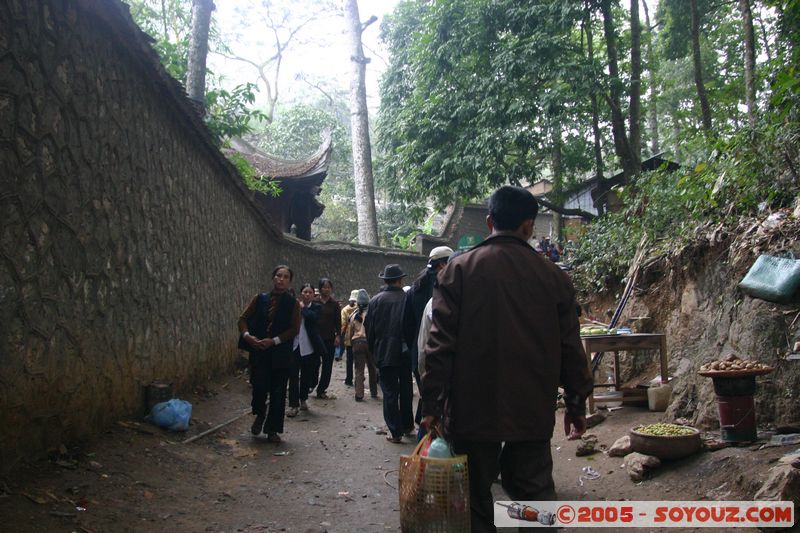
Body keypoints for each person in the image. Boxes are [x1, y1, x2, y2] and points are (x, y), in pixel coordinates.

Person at [421, 186, 594, 532]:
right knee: (534, 494)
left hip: (471, 410)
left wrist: (431, 406)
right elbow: (572, 348)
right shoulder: (554, 278)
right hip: (530, 409)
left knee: (474, 500)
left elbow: (437, 347)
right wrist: (575, 403)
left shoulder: (457, 271)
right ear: (529, 227)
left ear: (489, 222)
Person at [238, 265, 301, 443]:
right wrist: (248, 336)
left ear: (289, 281)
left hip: (280, 354)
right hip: (259, 353)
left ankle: (273, 429)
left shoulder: (293, 304)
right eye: (278, 276)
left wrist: (274, 341)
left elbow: (294, 329)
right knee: (259, 388)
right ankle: (260, 413)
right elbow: (242, 319)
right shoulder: (259, 299)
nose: (281, 279)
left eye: (285, 277)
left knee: (278, 391)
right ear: (273, 278)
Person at [404, 246, 453, 430]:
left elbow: (406, 326)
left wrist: (413, 349)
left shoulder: (414, 289)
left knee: (428, 396)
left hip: (419, 351)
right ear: (443, 265)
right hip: (441, 354)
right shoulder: (450, 288)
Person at [365, 264, 415, 444]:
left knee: (390, 392)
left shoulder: (375, 301)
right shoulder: (408, 298)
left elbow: (369, 329)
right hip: (405, 352)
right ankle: (408, 425)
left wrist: (373, 351)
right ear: (401, 280)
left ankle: (395, 431)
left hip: (384, 352)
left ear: (385, 280)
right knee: (406, 389)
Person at [287, 283, 324, 417]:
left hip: (309, 347)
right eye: (304, 292)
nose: (307, 294)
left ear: (313, 295)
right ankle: (293, 404)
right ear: (301, 294)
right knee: (293, 376)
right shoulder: (293, 307)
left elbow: (313, 318)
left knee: (306, 375)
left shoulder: (317, 307)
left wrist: (302, 309)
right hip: (295, 346)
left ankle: (303, 399)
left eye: (309, 292)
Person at [348, 289, 378, 402]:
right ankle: (374, 392)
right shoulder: (373, 313)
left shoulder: (353, 315)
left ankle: (359, 394)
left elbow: (350, 331)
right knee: (372, 368)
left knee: (359, 370)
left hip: (357, 343)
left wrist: (352, 342)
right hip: (369, 342)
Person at [315, 278, 341, 399]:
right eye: (324, 287)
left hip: (329, 338)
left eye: (329, 287)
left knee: (327, 365)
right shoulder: (315, 302)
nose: (326, 289)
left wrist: (338, 336)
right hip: (315, 338)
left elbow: (338, 322)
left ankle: (321, 389)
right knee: (314, 363)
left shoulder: (335, 304)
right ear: (320, 289)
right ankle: (312, 383)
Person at [340, 290, 360, 387]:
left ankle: (349, 379)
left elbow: (343, 324)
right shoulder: (363, 308)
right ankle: (359, 379)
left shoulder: (345, 310)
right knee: (359, 361)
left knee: (349, 360)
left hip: (349, 338)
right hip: (360, 337)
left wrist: (341, 336)